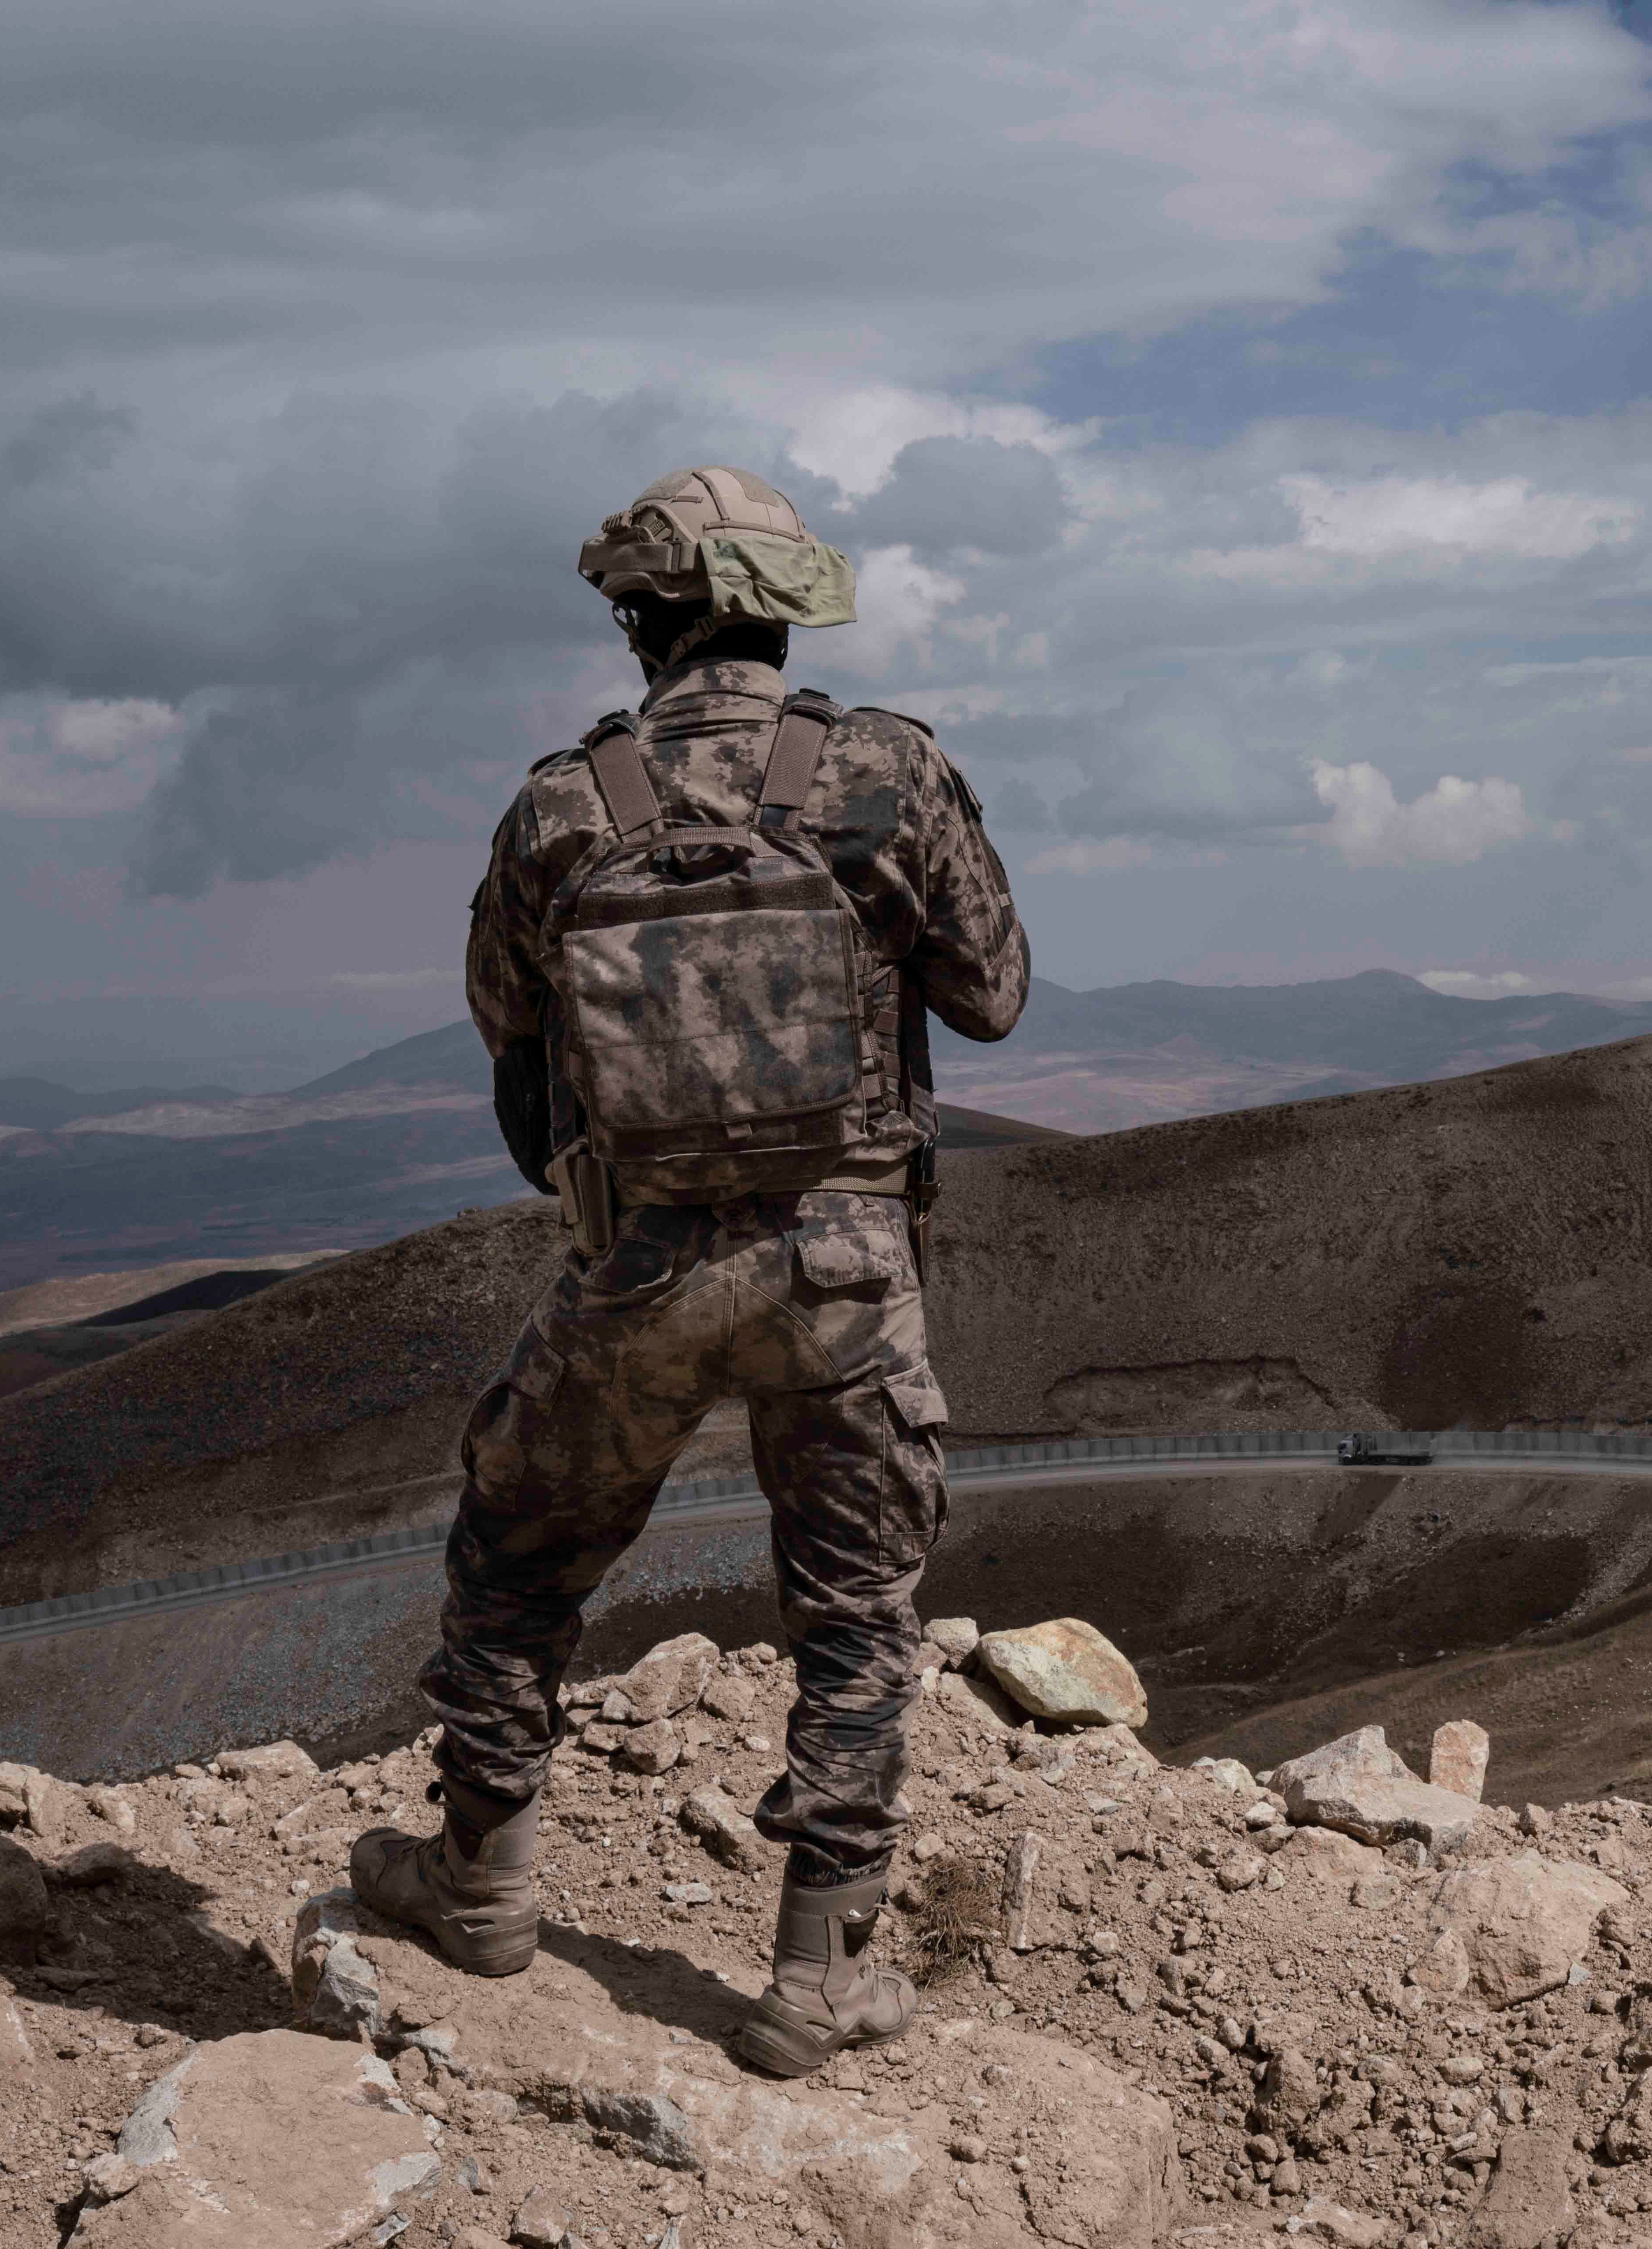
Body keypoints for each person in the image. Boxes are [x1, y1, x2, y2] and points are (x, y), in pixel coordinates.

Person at [349, 465, 1028, 2078]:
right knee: (859, 1614)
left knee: (516, 1565)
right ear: (787, 610)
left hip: (635, 1275)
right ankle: (816, 1974)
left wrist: (638, 1202)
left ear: (639, 621)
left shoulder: (559, 808)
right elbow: (992, 996)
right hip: (850, 1267)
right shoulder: (890, 772)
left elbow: (517, 1062)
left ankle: (485, 1882)